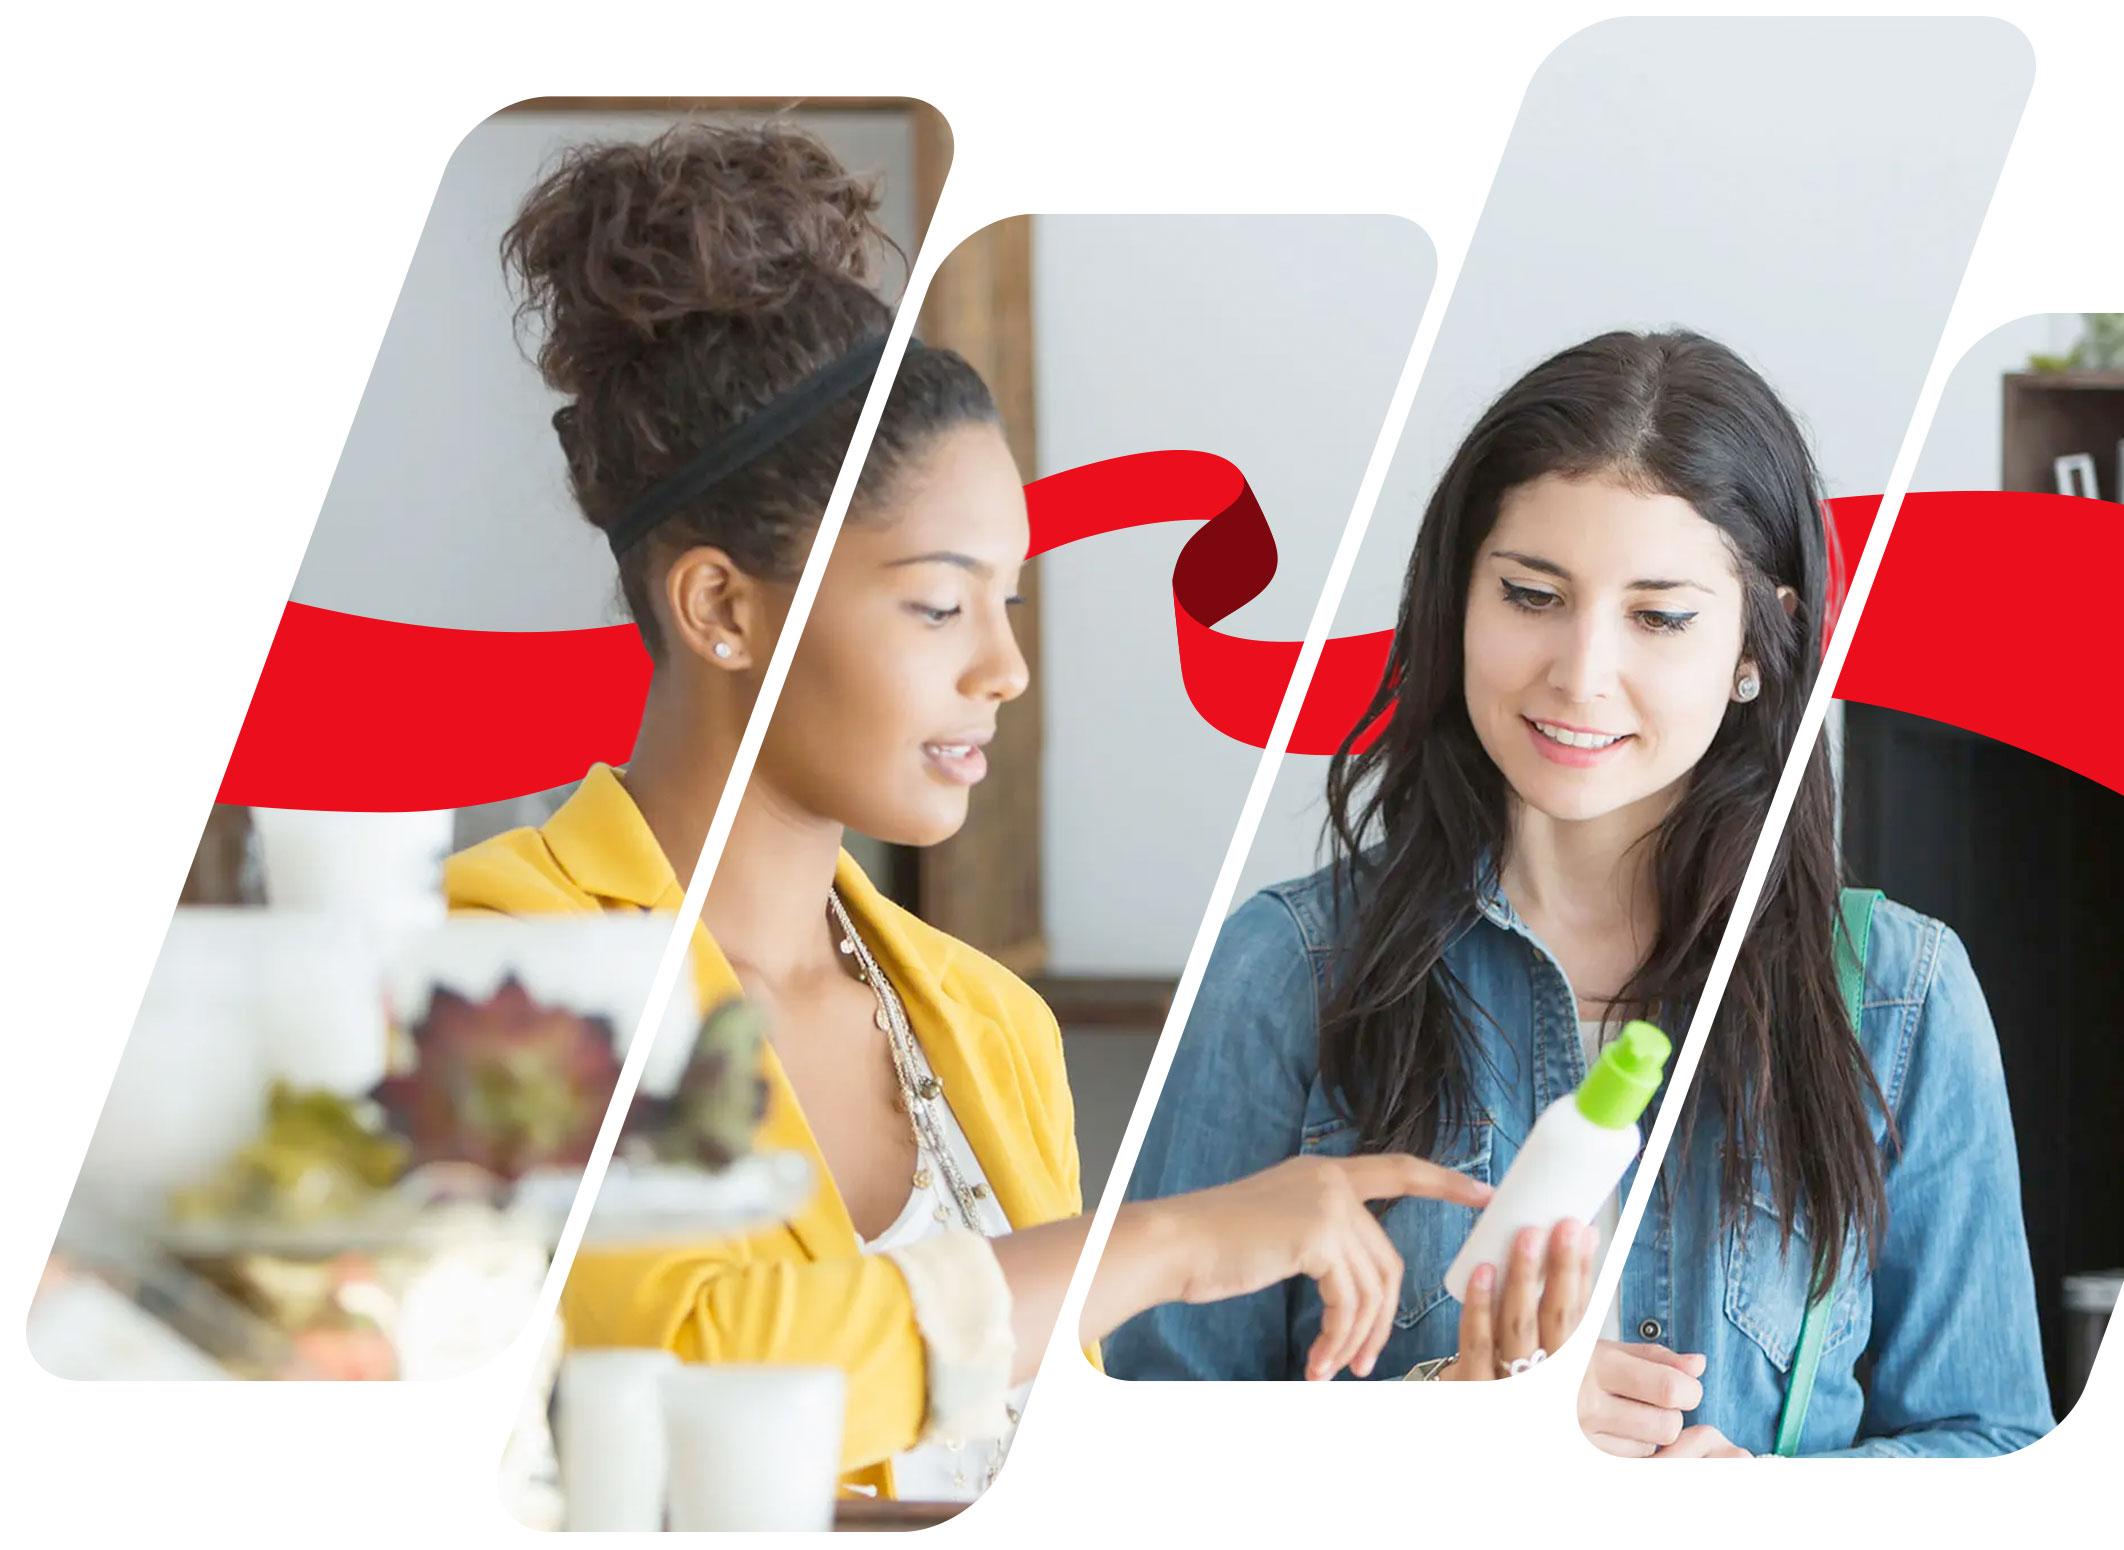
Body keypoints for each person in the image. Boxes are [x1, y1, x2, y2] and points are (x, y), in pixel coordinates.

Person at [445, 120, 1489, 1502]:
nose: (1003, 668)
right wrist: (1168, 1244)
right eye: (939, 603)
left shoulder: (990, 1022)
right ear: (720, 608)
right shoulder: (504, 947)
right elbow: (693, 1372)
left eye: (1007, 601)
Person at [1106, 330, 2055, 1458]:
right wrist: (1441, 1432)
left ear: (1762, 641)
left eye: (1658, 615)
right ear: (1457, 597)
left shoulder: (1903, 1000)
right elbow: (1149, 1458)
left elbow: (1996, 1445)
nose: (1579, 670)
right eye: (1531, 594)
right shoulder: (1285, 970)